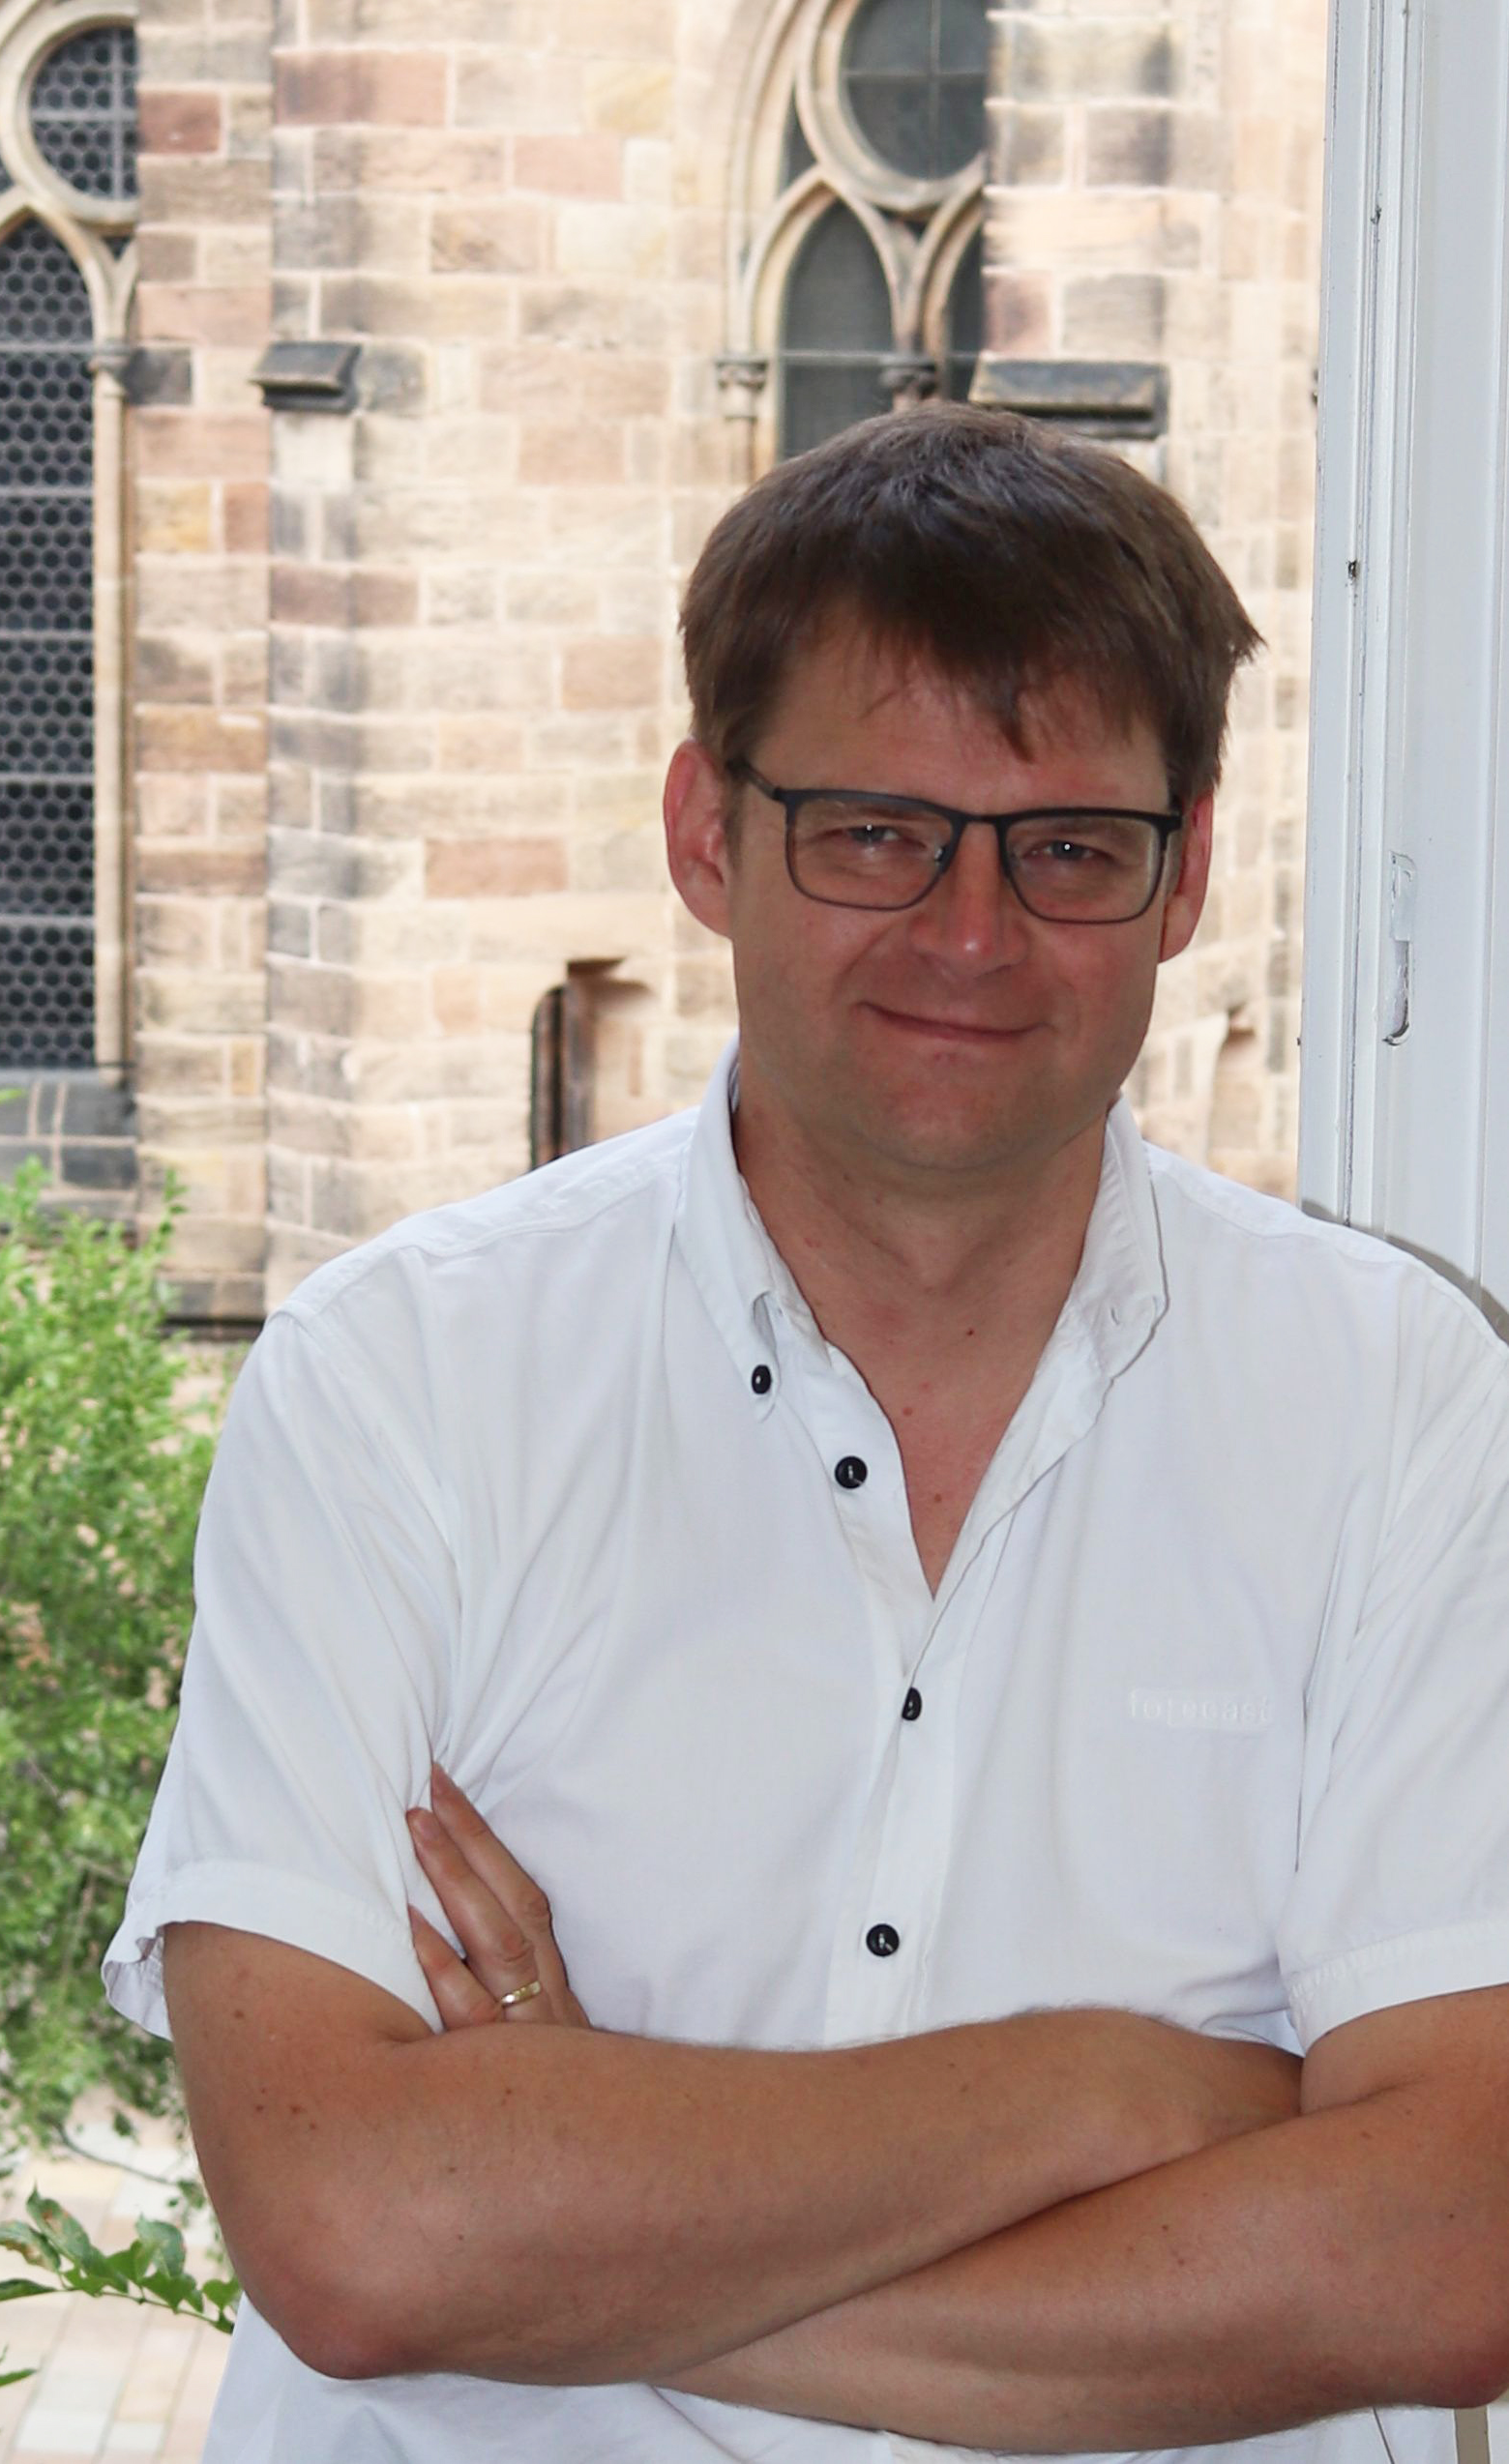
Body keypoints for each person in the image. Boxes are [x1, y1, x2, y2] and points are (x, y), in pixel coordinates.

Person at [104, 404, 1509, 2464]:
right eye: (871, 830)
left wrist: (583, 2225)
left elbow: (1449, 2249)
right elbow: (356, 2230)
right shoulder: (393, 1380)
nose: (969, 932)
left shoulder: (1398, 1403)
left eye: (1067, 847)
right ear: (706, 835)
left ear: (1185, 875)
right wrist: (1113, 2090)